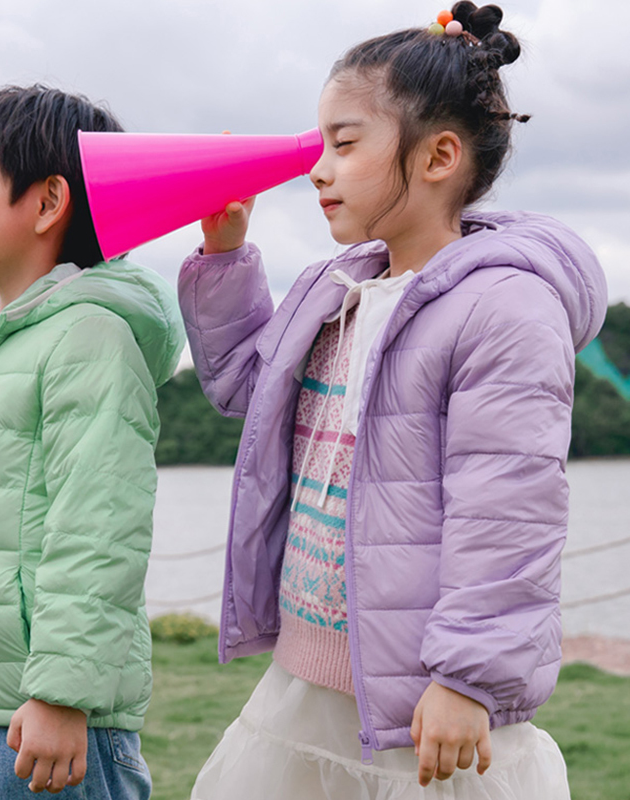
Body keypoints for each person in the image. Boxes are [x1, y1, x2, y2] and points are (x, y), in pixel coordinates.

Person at [178, 4, 607, 798]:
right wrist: (226, 254)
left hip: (427, 701)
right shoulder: (335, 290)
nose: (317, 168)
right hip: (307, 687)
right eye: (320, 146)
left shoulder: (505, 308)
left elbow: (508, 507)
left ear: (440, 154)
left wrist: (468, 677)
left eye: (344, 144)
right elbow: (243, 384)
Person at [0, 85, 185, 799]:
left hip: (57, 718)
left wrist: (62, 695)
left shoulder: (91, 336)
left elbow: (98, 528)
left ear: (50, 202)